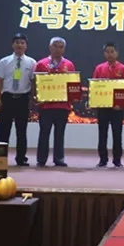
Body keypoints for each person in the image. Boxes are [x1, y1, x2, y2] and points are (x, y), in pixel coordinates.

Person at [0, 33, 36, 166]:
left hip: (23, 99)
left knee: (21, 131)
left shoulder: (31, 62)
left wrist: (32, 98)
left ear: (26, 46)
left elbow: (33, 81)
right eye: (17, 42)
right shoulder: (4, 61)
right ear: (12, 45)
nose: (19, 45)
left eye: (22, 43)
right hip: (7, 98)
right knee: (4, 131)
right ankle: (0, 159)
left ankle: (21, 158)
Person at [34, 37, 76, 167]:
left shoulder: (69, 65)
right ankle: (41, 159)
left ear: (64, 49)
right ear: (50, 47)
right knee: (44, 132)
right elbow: (35, 83)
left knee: (60, 133)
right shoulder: (41, 64)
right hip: (45, 106)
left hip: (63, 106)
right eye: (55, 46)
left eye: (61, 47)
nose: (58, 49)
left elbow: (73, 85)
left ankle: (59, 158)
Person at [92, 42, 124, 168]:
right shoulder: (99, 68)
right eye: (107, 52)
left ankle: (117, 160)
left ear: (117, 53)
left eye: (112, 51)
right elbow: (94, 87)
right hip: (103, 107)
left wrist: (122, 104)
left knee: (117, 134)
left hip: (117, 108)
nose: (110, 54)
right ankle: (102, 159)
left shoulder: (123, 69)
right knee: (102, 134)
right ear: (104, 53)